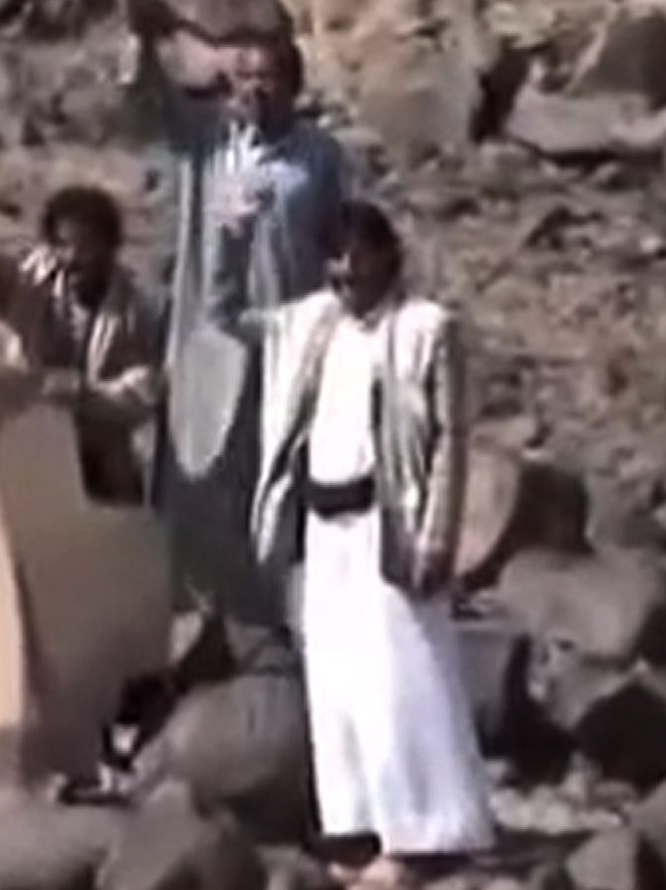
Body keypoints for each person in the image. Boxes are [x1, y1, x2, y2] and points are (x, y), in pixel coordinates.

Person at [216, 199, 492, 888]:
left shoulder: (428, 328)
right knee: (336, 680)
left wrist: (437, 536)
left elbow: (452, 442)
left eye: (357, 256)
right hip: (323, 526)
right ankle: (355, 830)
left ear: (387, 257)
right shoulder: (313, 322)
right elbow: (224, 320)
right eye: (335, 258)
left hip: (389, 524)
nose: (345, 271)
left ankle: (423, 834)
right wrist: (227, 244)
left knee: (401, 677)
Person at [124, 0, 352, 626]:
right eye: (244, 77)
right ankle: (191, 623)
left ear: (293, 82)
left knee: (273, 482)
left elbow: (344, 239)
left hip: (285, 341)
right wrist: (144, 35)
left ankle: (268, 622)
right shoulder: (206, 141)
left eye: (269, 77)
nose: (255, 89)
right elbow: (146, 98)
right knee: (196, 480)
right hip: (208, 338)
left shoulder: (319, 156)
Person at [3, 185, 162, 504]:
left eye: (85, 247)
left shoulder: (137, 307)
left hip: (99, 457)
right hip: (33, 448)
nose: (71, 258)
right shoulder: (32, 280)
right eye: (62, 245)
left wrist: (84, 394)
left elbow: (144, 395)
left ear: (110, 247)